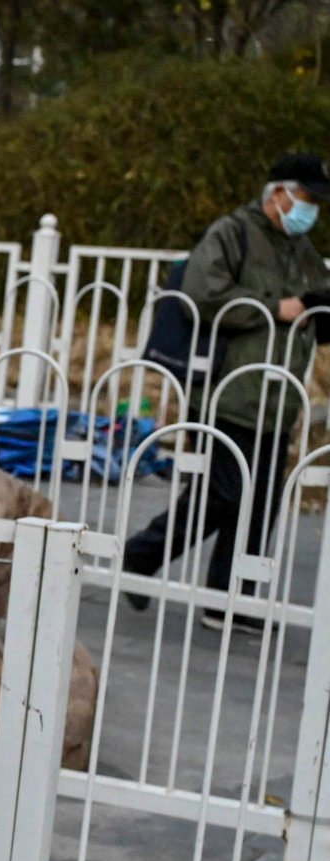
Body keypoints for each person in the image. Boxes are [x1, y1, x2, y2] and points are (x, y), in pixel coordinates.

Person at [124, 153, 330, 635]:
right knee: (224, 494)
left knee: (259, 502)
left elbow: (313, 310)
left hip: (275, 398)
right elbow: (203, 294)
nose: (312, 210)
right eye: (306, 199)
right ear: (277, 193)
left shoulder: (301, 251)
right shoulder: (232, 234)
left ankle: (231, 600)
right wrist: (278, 307)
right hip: (225, 391)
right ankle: (140, 555)